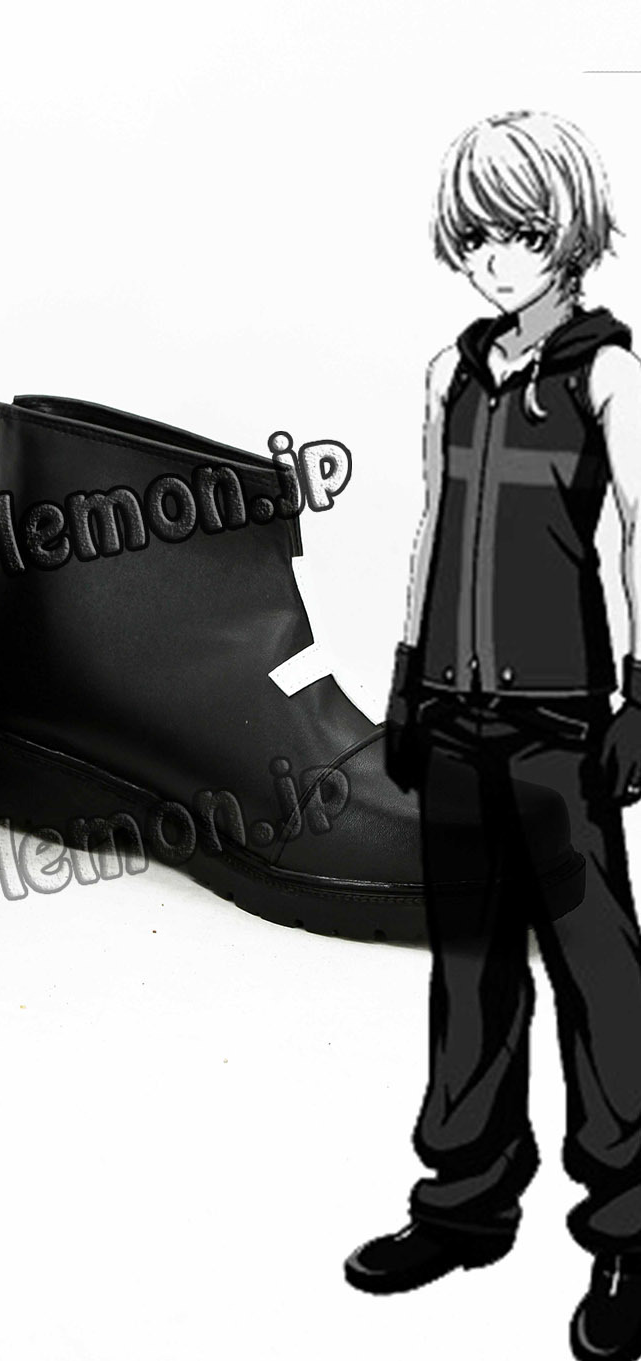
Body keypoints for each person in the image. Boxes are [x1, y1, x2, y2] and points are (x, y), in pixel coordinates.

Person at [343, 110, 641, 1361]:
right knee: (467, 966)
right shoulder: (451, 374)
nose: (494, 259)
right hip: (456, 718)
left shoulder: (606, 375)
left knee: (600, 973)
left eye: (516, 232)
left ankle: (632, 1225)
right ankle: (465, 1199)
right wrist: (408, 680)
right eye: (475, 239)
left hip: (559, 726)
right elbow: (433, 525)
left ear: (566, 231)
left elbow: (640, 530)